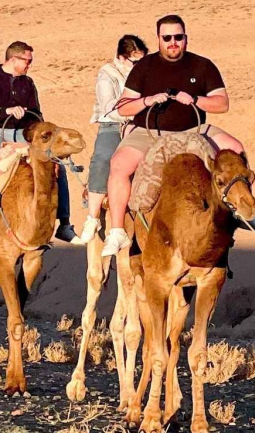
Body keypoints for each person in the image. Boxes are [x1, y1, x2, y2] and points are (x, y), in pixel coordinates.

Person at [99, 15, 242, 258]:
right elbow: (123, 107)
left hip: (193, 129)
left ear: (185, 38)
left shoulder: (203, 66)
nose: (173, 42)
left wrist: (195, 99)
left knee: (236, 151)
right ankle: (117, 230)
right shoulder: (144, 67)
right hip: (149, 131)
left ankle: (240, 213)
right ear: (159, 39)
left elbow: (222, 104)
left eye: (178, 37)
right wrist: (147, 100)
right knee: (119, 165)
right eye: (167, 38)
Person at [0, 41, 75, 241]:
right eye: (26, 60)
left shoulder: (28, 83)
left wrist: (36, 124)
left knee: (56, 165)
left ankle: (64, 222)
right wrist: (6, 111)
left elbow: (38, 113)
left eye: (30, 61)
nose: (29, 65)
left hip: (22, 133)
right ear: (13, 59)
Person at [73, 33, 147, 245]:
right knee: (104, 158)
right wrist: (135, 110)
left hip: (143, 125)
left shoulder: (146, 73)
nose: (139, 65)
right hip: (114, 124)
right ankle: (92, 217)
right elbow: (108, 108)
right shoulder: (108, 74)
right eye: (135, 61)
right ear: (122, 58)